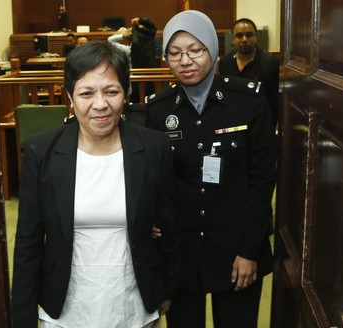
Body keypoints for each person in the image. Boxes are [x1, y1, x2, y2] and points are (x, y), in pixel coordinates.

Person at [11, 41, 179, 328]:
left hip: (133, 303)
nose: (100, 104)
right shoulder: (43, 151)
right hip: (65, 307)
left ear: (125, 94)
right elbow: (28, 241)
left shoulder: (153, 147)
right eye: (87, 93)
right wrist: (23, 318)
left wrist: (166, 288)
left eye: (111, 91)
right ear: (70, 97)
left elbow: (169, 225)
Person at [145, 10, 277, 328]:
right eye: (174, 53)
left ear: (213, 50)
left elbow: (262, 180)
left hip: (236, 250)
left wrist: (249, 250)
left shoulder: (247, 100)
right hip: (182, 254)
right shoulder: (158, 109)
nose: (185, 61)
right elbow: (154, 182)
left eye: (195, 50)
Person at [218, 18, 280, 124]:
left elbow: (274, 99)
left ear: (256, 37)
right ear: (232, 39)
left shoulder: (269, 62)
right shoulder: (224, 62)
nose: (244, 39)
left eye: (249, 35)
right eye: (239, 36)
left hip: (261, 123)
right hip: (233, 123)